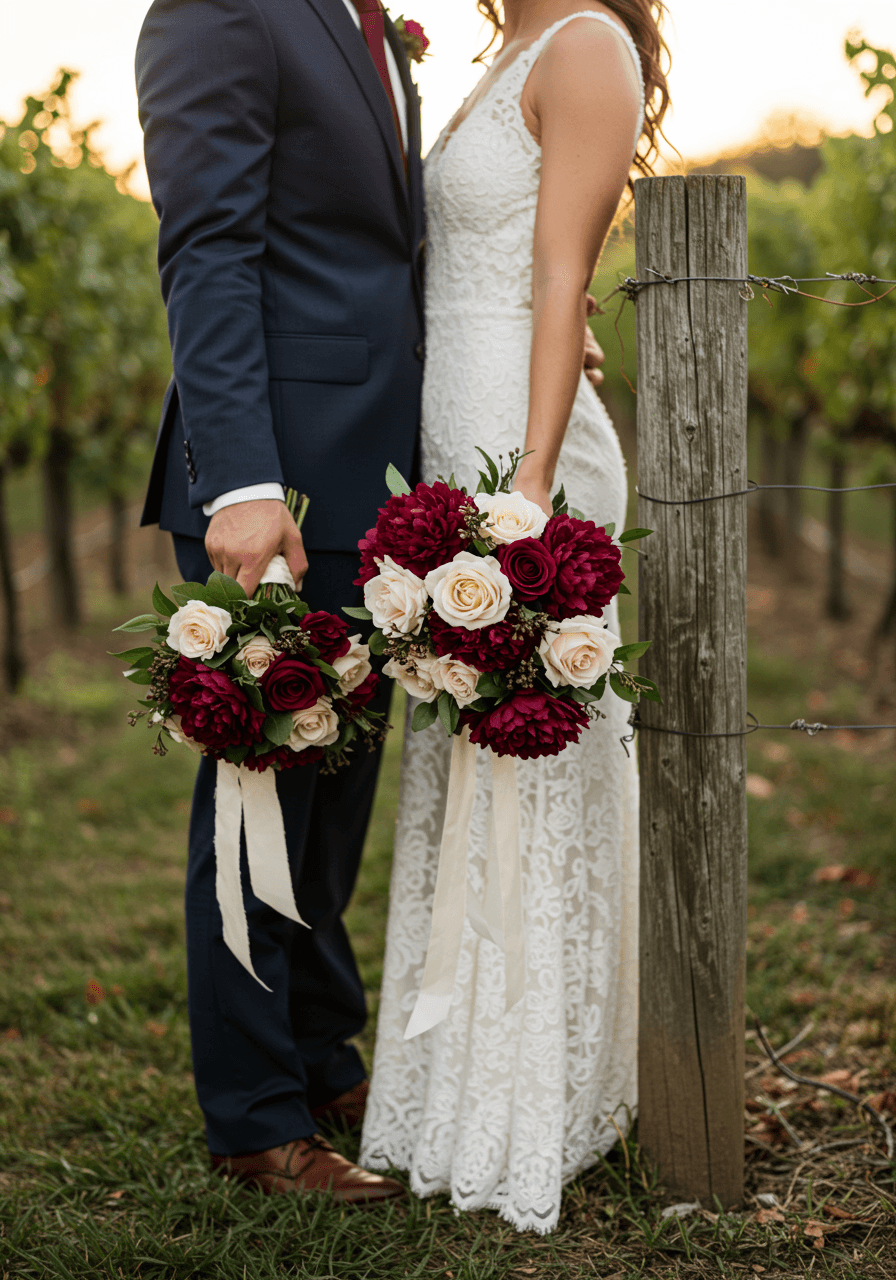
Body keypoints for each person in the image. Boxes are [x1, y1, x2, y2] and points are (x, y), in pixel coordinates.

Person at [135, 0, 605, 1206]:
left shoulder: (357, 19)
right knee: (265, 786)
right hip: (278, 473)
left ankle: (319, 1050)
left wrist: (532, 321)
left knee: (336, 790)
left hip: (379, 460)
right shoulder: (223, 8)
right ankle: (254, 1121)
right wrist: (239, 480)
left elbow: (386, 243)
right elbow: (209, 246)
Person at [359, 0, 670, 1234]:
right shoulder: (502, 51)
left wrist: (529, 490)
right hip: (455, 421)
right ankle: (456, 1075)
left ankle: (540, 1093)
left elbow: (559, 270)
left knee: (533, 754)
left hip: (518, 452)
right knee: (463, 747)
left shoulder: (587, 41)